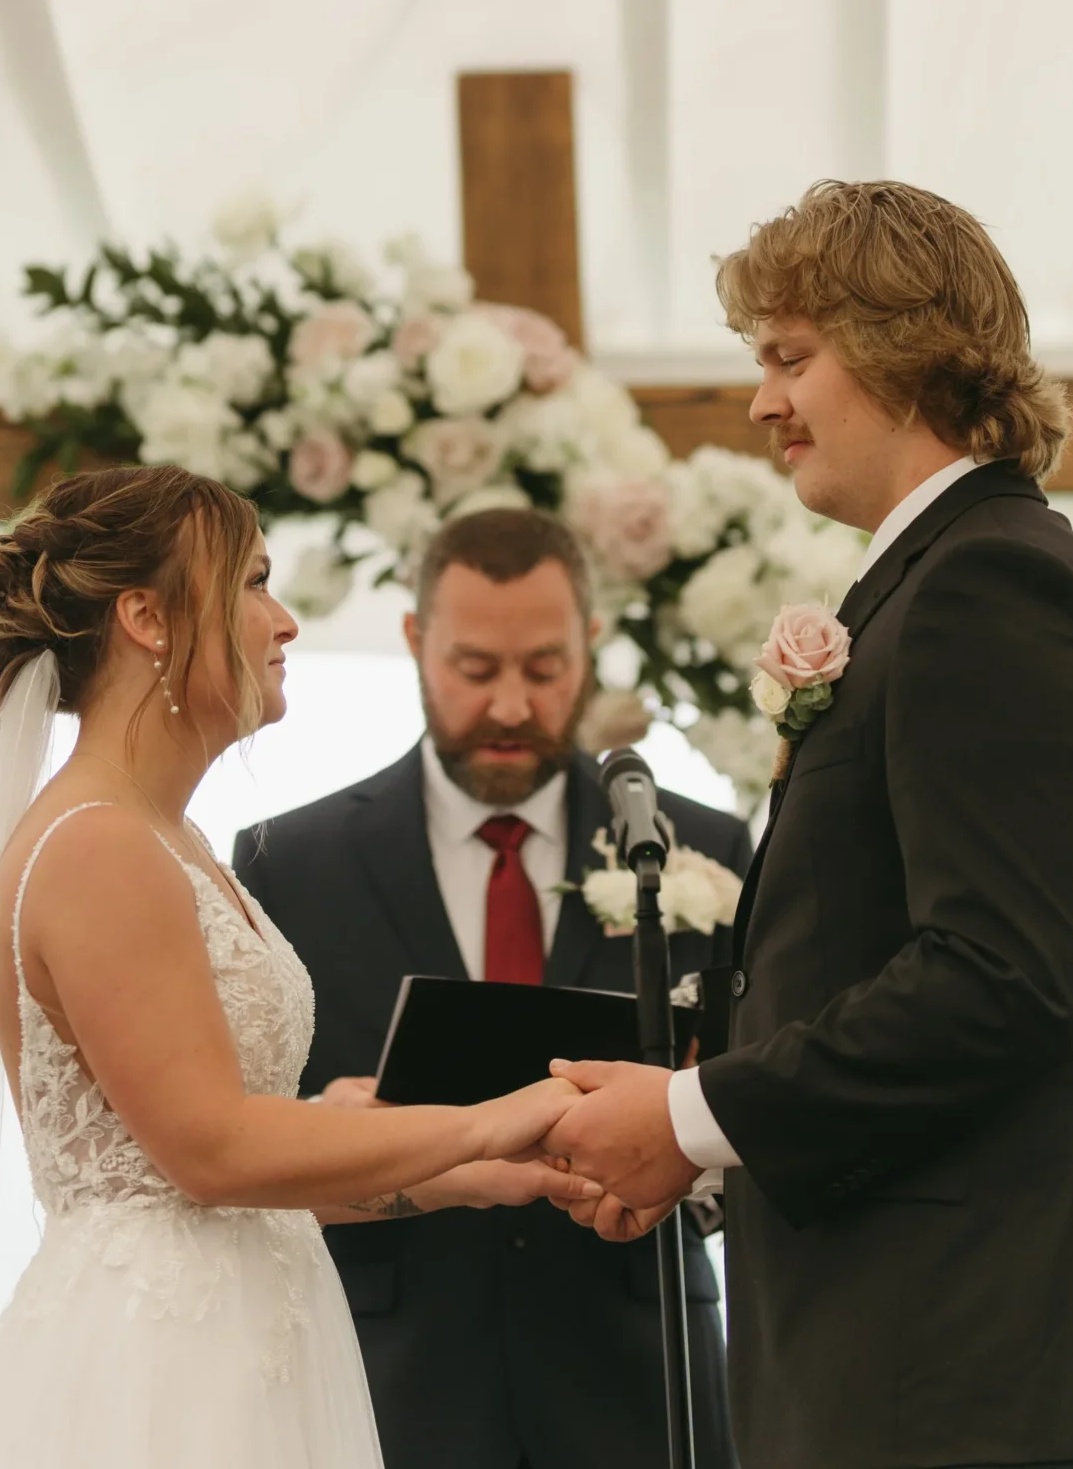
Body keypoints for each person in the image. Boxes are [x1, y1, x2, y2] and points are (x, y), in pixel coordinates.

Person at [546, 181, 1073, 1469]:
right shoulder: (929, 583)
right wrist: (701, 1143)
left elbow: (1002, 976)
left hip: (966, 1369)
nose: (760, 402)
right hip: (904, 1355)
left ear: (907, 351)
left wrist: (689, 1114)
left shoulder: (989, 585)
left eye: (790, 357)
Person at [0, 465, 590, 1469]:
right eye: (254, 582)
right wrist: (492, 1116)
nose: (284, 622)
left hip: (244, 1334)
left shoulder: (169, 837)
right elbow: (213, 1150)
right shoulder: (96, 844)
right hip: (161, 1369)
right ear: (146, 618)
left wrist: (468, 1177)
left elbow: (214, 1174)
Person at [235, 507, 750, 1469]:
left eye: (544, 669)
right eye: (474, 670)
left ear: (590, 643)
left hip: (638, 1375)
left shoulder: (699, 850)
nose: (510, 707)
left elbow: (747, 1104)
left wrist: (693, 1162)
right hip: (392, 1378)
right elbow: (244, 1135)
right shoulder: (291, 863)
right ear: (414, 641)